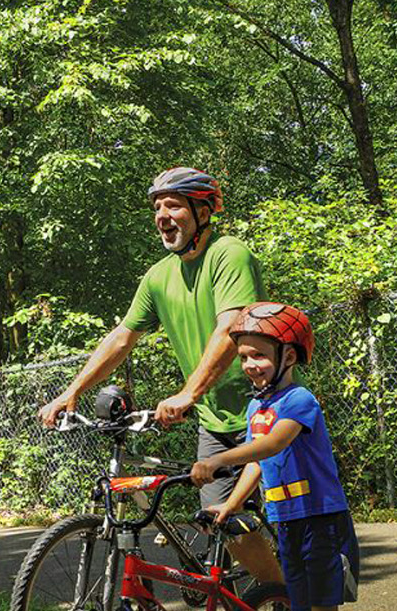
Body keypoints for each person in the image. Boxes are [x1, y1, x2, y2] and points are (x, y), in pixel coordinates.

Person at [36, 166, 284, 587]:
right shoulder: (158, 276)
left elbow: (229, 329)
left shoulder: (228, 254)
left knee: (294, 519)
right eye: (156, 207)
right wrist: (72, 392)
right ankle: (270, 591)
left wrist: (189, 393)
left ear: (204, 211)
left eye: (173, 205)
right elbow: (122, 338)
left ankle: (286, 597)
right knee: (222, 520)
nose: (162, 215)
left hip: (266, 412)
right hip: (215, 421)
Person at [192, 302, 358, 611]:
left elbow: (274, 445)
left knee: (322, 603)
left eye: (259, 355)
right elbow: (257, 462)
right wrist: (231, 505)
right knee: (297, 601)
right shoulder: (257, 407)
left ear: (289, 356)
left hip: (319, 518)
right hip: (285, 518)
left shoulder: (299, 400)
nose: (250, 365)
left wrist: (219, 460)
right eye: (243, 357)